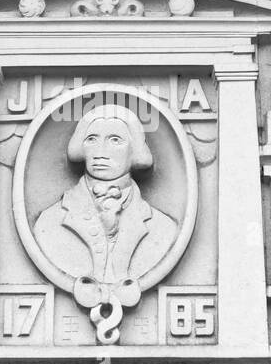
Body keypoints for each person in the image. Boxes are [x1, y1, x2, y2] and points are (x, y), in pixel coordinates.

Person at [33, 104, 178, 296]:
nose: (101, 151)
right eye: (92, 139)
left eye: (115, 140)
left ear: (134, 149)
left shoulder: (164, 228)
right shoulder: (49, 222)